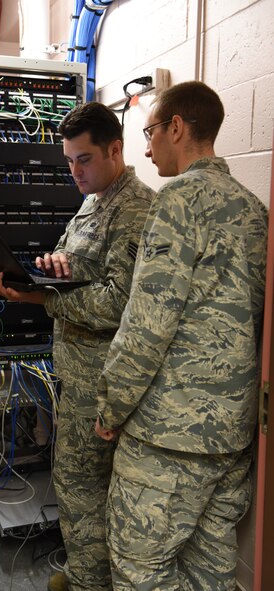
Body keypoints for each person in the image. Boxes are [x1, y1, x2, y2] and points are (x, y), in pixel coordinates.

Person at [95, 81, 268, 590]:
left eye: (149, 132)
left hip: (167, 439)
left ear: (176, 127)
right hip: (231, 439)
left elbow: (147, 324)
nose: (146, 149)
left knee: (138, 571)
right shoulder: (254, 208)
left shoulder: (177, 202)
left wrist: (112, 404)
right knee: (211, 571)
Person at [0, 101, 155, 591]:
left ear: (115, 149)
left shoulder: (136, 208)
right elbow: (82, 267)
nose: (74, 171)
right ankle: (86, 572)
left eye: (84, 159)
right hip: (77, 375)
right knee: (78, 487)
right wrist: (52, 267)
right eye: (68, 162)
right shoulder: (93, 200)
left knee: (85, 489)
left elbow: (122, 304)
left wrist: (43, 297)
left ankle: (89, 581)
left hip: (103, 382)